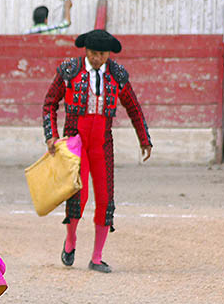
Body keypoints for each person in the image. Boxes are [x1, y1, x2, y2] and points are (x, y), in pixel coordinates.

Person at [42, 29, 152, 273]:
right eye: (92, 53)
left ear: (108, 53)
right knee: (77, 198)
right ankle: (70, 241)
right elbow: (50, 103)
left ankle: (97, 257)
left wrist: (144, 138)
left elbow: (134, 107)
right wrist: (52, 136)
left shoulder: (118, 75)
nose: (96, 58)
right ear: (85, 50)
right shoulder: (69, 70)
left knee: (105, 199)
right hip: (74, 142)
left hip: (103, 143)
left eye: (101, 54)